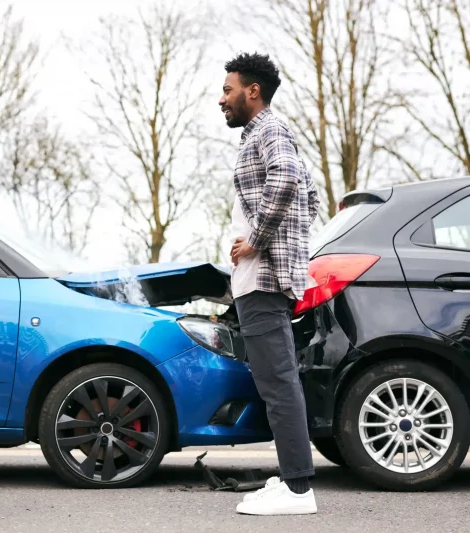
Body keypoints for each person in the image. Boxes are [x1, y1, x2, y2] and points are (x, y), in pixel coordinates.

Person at [219, 52, 320, 516]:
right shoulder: (263, 134)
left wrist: (257, 241)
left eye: (228, 89)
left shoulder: (270, 129)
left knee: (278, 382)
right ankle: (291, 481)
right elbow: (310, 193)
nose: (222, 99)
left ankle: (299, 490)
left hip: (262, 277)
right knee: (274, 382)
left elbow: (286, 182)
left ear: (252, 91)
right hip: (260, 276)